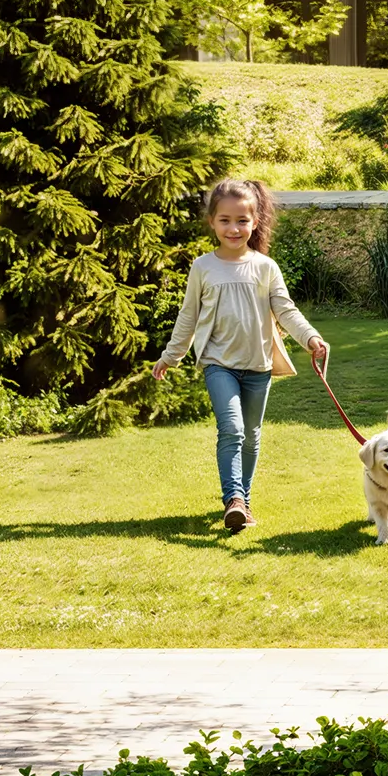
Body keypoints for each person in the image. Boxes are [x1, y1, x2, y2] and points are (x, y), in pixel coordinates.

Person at [151, 177, 329, 534]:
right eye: (225, 220)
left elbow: (286, 311)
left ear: (255, 221)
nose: (234, 228)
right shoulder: (203, 267)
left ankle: (243, 503)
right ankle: (233, 499)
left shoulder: (265, 267)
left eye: (242, 220)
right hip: (219, 365)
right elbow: (188, 316)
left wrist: (310, 337)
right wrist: (172, 355)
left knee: (251, 434)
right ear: (212, 222)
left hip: (258, 366)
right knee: (231, 429)